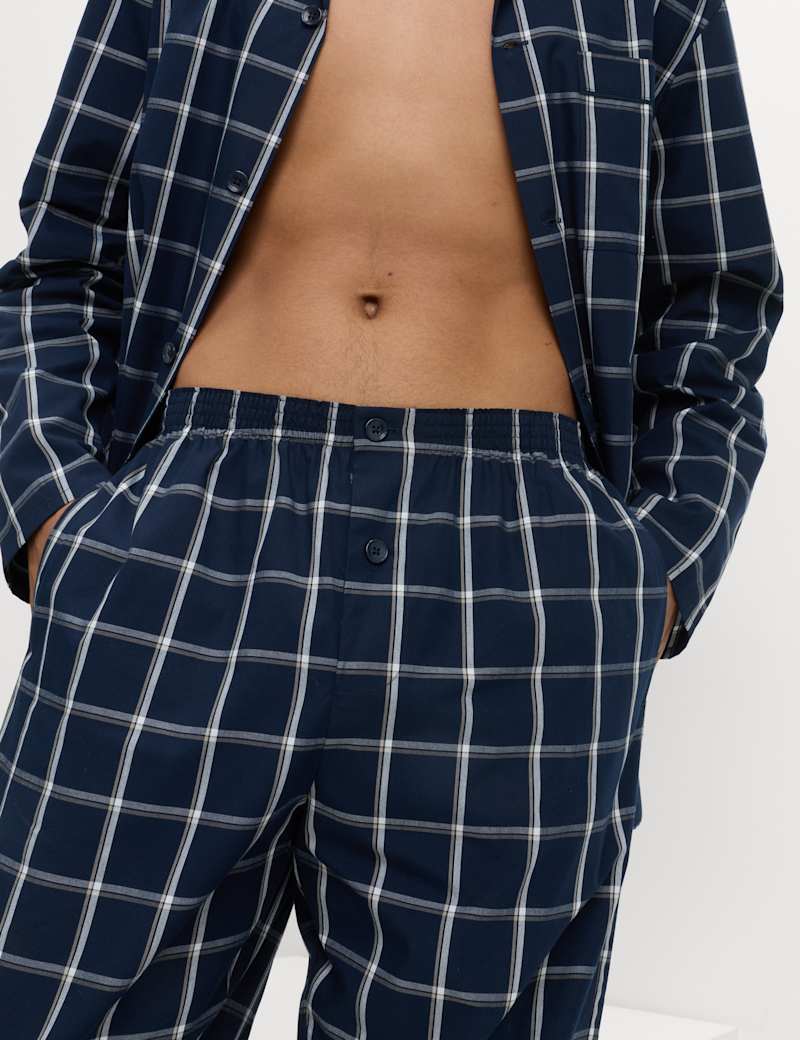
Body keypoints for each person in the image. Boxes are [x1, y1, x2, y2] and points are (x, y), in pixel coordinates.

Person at [0, 1, 783, 1037]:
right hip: (193, 529)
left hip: (517, 563)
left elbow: (714, 301)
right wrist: (53, 513)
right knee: (52, 998)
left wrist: (657, 575)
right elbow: (60, 259)